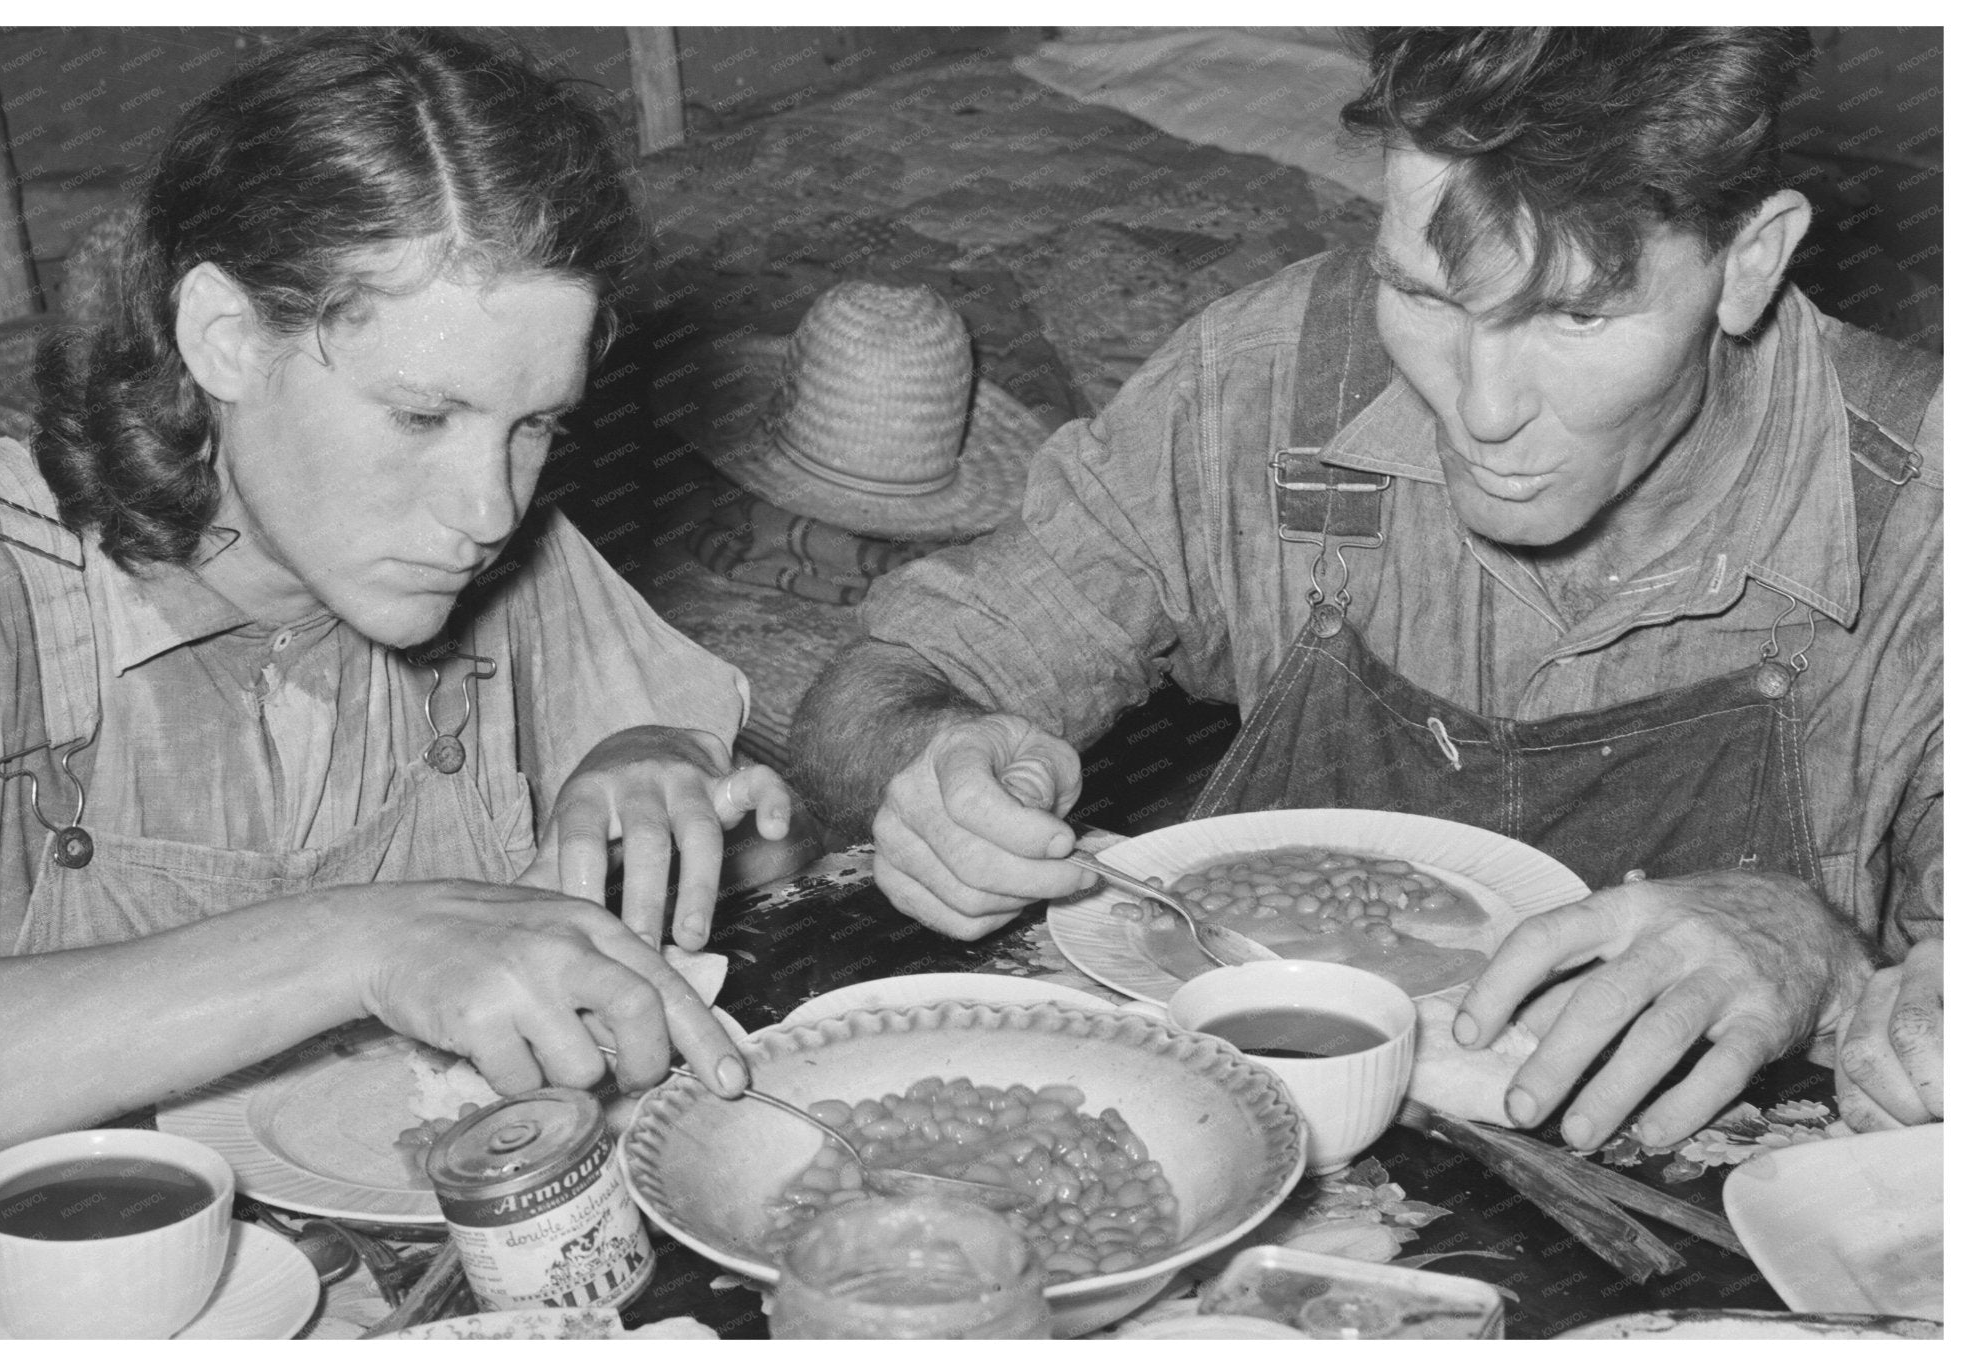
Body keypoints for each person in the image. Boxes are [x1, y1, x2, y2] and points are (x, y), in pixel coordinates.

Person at [789, 28, 1941, 1150]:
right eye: (1428, 295)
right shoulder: (1264, 378)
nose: (1482, 411)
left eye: (1575, 314)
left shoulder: (1933, 503)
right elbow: (879, 690)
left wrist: (1826, 958)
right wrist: (931, 766)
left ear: (1749, 260)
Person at [0, 29, 792, 1158]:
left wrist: (648, 760)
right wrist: (372, 938)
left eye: (534, 425)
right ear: (225, 338)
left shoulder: (512, 556)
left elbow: (759, 853)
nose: (489, 512)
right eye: (420, 416)